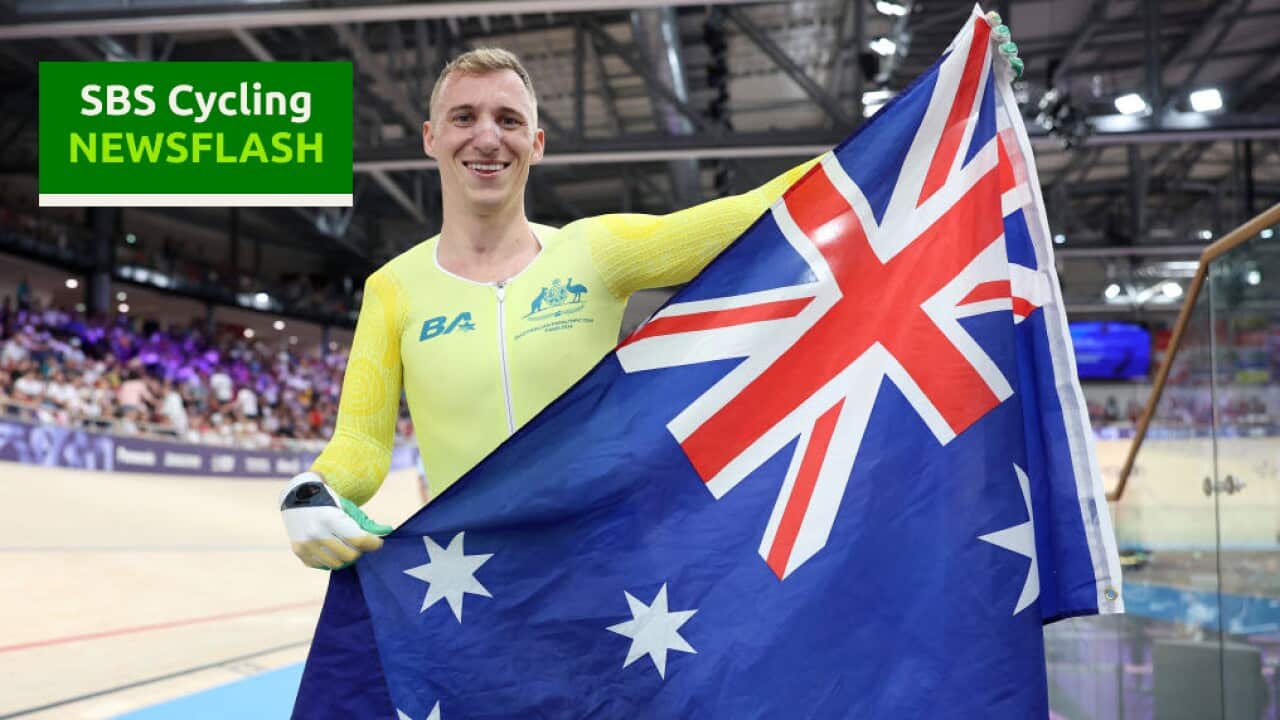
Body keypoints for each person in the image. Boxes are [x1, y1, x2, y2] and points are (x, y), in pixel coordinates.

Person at [281, 19, 1024, 571]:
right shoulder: (394, 289)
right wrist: (313, 488)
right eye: (465, 118)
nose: (488, 137)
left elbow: (761, 213)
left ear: (537, 144)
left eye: (510, 120)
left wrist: (934, 120)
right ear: (430, 138)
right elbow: (363, 447)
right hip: (471, 587)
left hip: (606, 567)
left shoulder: (594, 252)